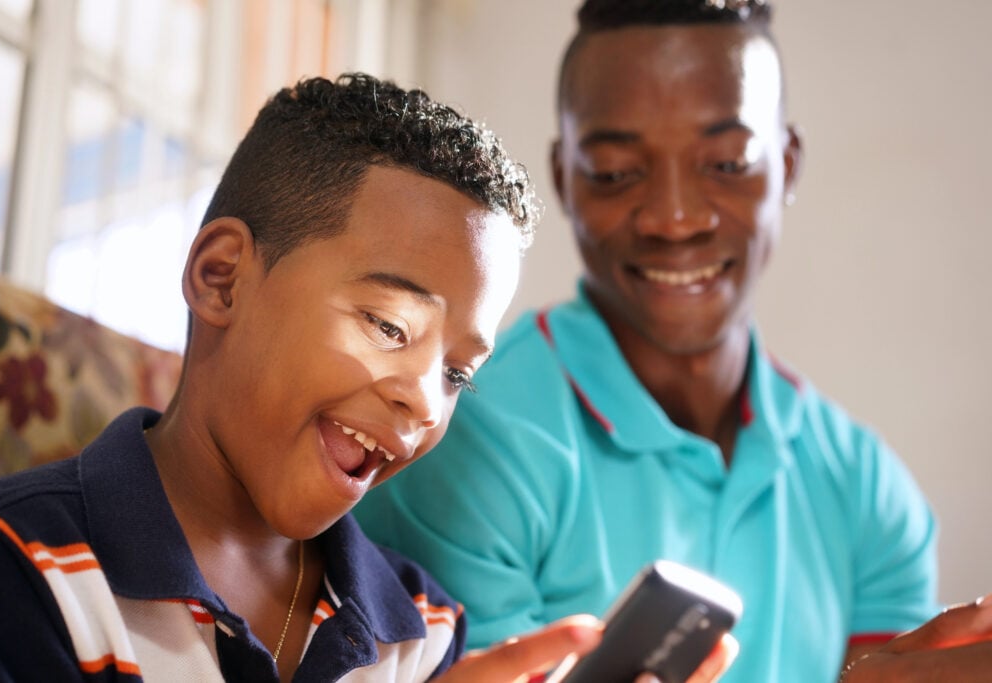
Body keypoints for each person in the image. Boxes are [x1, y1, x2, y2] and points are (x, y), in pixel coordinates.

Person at [0, 73, 733, 682]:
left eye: (458, 372)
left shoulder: (424, 630)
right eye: (388, 326)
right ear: (223, 278)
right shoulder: (10, 567)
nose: (423, 399)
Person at [354, 2, 992, 682]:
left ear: (787, 164)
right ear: (564, 179)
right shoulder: (469, 439)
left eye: (728, 163)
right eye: (615, 171)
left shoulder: (869, 489)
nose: (674, 217)